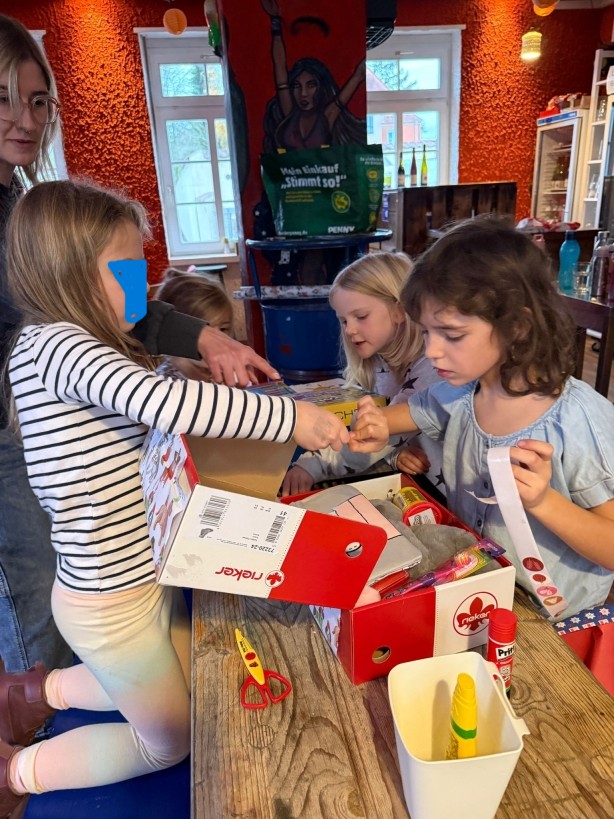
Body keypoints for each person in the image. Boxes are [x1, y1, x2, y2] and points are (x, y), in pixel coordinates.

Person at [0, 178, 349, 814]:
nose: (141, 287)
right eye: (126, 271)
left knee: (179, 677)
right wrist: (292, 419)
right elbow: (165, 402)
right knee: (169, 743)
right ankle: (18, 773)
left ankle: (34, 693)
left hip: (138, 583)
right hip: (110, 605)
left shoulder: (75, 344)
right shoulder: (57, 345)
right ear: (69, 274)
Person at [0, 13, 277, 675]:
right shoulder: (50, 332)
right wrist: (293, 419)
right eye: (5, 99)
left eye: (37, 101)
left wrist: (205, 336)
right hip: (15, 446)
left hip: (54, 453)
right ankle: (35, 721)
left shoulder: (25, 202)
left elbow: (122, 305)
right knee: (34, 591)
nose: (25, 120)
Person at [350, 217, 614, 622]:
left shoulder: (578, 420)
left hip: (555, 621)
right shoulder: (460, 392)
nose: (432, 351)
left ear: (517, 327)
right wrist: (379, 423)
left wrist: (544, 502)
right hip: (480, 591)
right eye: (427, 333)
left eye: (452, 335)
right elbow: (413, 413)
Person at [281, 251, 444, 498]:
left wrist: (311, 465)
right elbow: (383, 442)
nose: (349, 330)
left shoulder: (432, 366)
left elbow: (377, 432)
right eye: (343, 320)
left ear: (399, 310)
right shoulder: (374, 362)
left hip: (441, 495)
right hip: (407, 483)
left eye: (361, 316)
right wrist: (393, 456)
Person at [260, 0, 365, 152]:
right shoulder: (290, 112)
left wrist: (359, 73)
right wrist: (275, 23)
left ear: (320, 88)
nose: (303, 93)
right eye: (297, 86)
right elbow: (279, 67)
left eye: (311, 85)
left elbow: (351, 86)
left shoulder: (325, 119)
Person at [155, 268, 235, 381]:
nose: (218, 339)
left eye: (223, 329)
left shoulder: (217, 371)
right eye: (204, 330)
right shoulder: (167, 382)